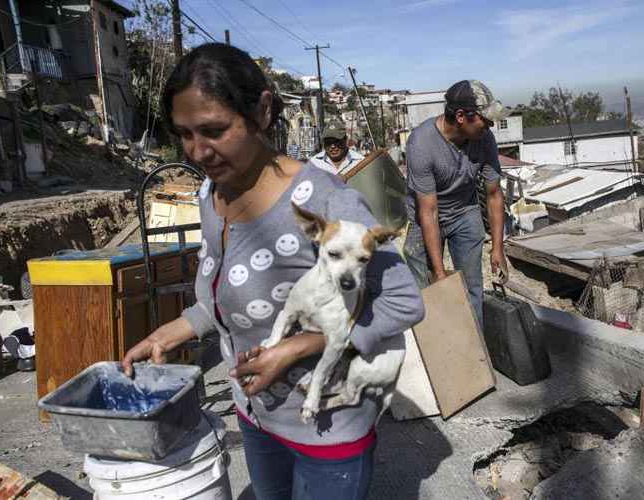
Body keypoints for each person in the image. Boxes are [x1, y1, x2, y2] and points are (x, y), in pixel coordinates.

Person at [121, 43, 424, 500]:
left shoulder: (328, 204)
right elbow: (231, 296)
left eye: (214, 130)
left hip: (327, 424)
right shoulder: (211, 195)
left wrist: (304, 343)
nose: (198, 151)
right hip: (255, 413)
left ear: (262, 111)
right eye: (184, 134)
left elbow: (404, 302)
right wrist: (173, 331)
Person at [404, 79, 509, 328]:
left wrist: (497, 248)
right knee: (425, 290)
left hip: (465, 210)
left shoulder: (485, 139)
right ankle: (433, 350)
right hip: (425, 217)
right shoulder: (421, 144)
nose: (490, 125)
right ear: (461, 116)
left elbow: (494, 194)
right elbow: (428, 212)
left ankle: (475, 358)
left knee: (471, 289)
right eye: (484, 119)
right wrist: (439, 274)